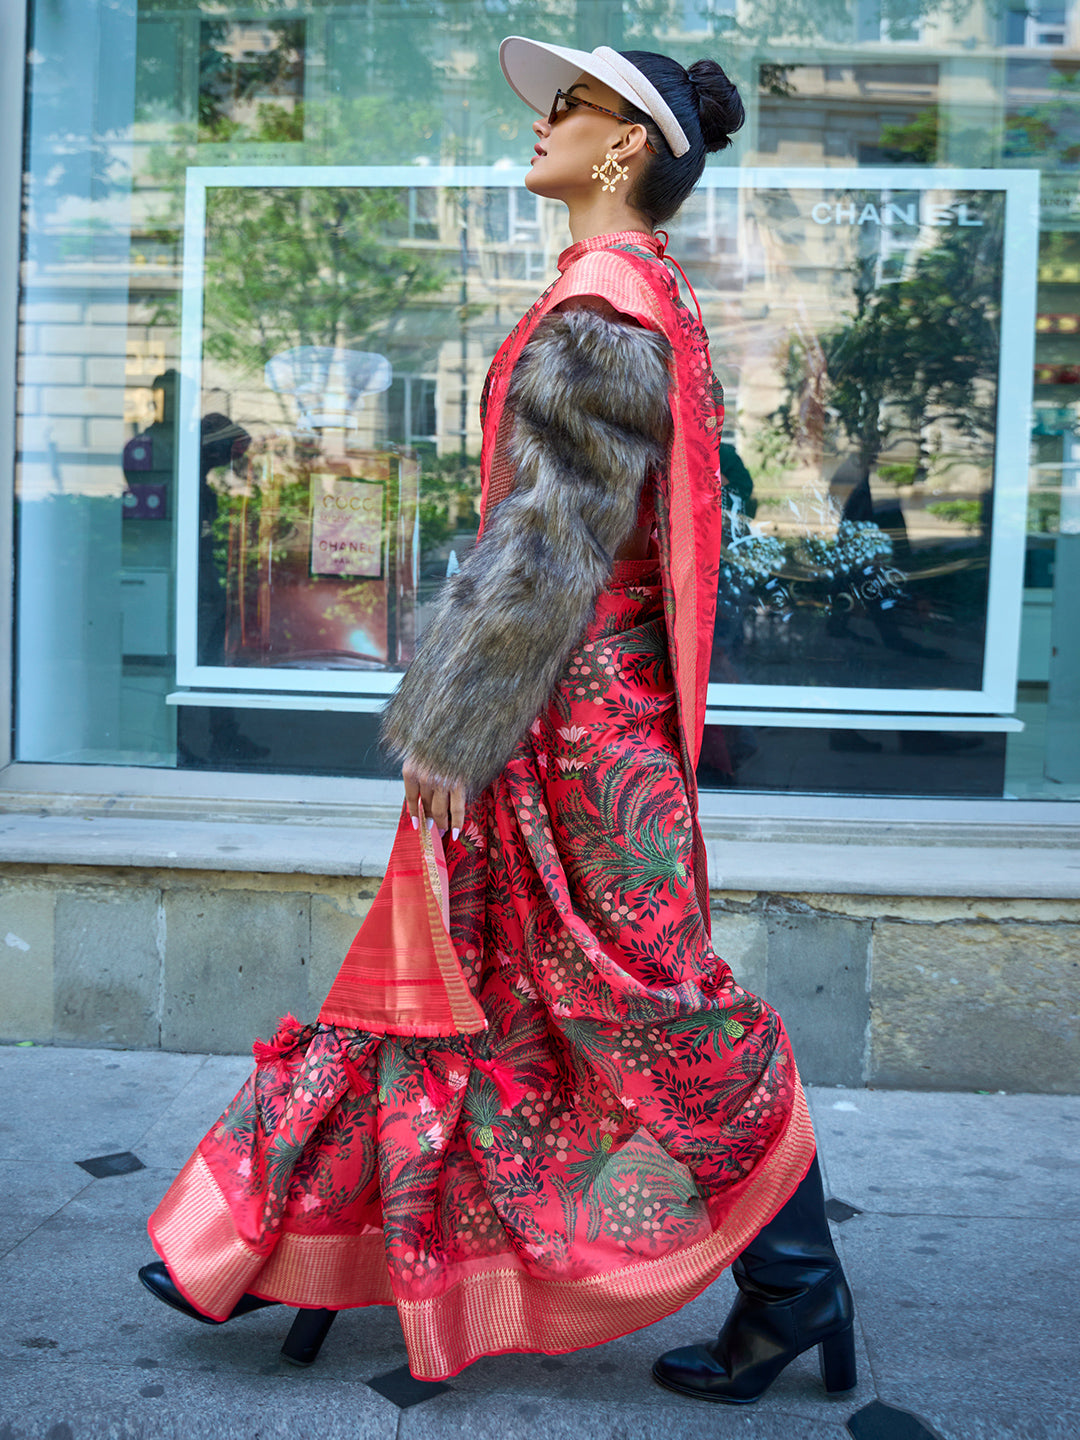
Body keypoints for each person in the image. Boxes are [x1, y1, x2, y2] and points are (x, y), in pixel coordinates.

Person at [138, 37, 856, 1404]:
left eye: (568, 108)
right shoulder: (648, 292)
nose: (542, 125)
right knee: (472, 991)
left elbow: (548, 544)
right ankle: (288, 1247)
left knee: (652, 1003)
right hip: (581, 716)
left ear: (628, 145)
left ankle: (797, 1283)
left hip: (569, 729)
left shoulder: (601, 299)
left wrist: (458, 728)